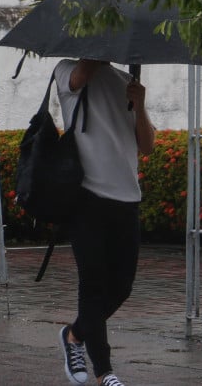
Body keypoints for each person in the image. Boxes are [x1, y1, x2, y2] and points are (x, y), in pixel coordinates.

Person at [53, 59, 155, 386]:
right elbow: (82, 76)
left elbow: (147, 145)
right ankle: (105, 372)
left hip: (127, 197)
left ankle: (74, 334)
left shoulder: (127, 80)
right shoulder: (68, 70)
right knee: (94, 286)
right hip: (87, 197)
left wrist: (139, 105)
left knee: (122, 287)